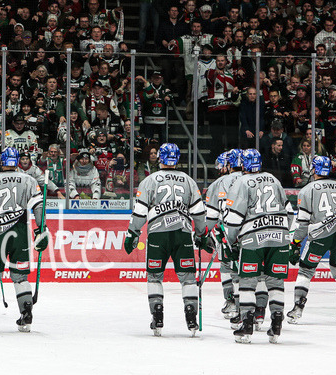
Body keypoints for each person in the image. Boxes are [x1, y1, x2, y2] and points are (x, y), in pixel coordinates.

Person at [124, 143, 210, 336]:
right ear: (177, 159)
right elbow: (198, 212)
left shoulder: (150, 180)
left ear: (161, 158)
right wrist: (202, 234)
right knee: (188, 278)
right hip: (182, 233)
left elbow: (140, 212)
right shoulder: (188, 181)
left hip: (157, 234)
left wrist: (132, 233)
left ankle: (158, 316)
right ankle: (191, 318)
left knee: (154, 276)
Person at [0, 148, 47, 332]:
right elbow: (38, 206)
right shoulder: (29, 180)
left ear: (2, 161)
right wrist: (41, 230)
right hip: (20, 233)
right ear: (16, 162)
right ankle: (26, 314)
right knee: (20, 277)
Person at [224, 148, 293, 343]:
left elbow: (235, 217)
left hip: (253, 238)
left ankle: (246, 326)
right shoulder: (273, 179)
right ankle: (277, 323)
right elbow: (289, 212)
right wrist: (284, 233)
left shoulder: (242, 182)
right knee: (276, 281)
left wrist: (231, 241)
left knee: (247, 281)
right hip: (280, 235)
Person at [288, 155, 336, 324]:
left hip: (320, 235)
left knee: (306, 270)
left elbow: (302, 223)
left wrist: (295, 243)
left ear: (314, 169)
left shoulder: (307, 189)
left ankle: (297, 309)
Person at [203, 150, 243, 319]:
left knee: (227, 266)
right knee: (252, 269)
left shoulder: (218, 184)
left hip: (227, 231)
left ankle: (232, 301)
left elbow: (211, 216)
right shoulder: (252, 179)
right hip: (251, 231)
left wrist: (203, 235)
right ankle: (255, 306)